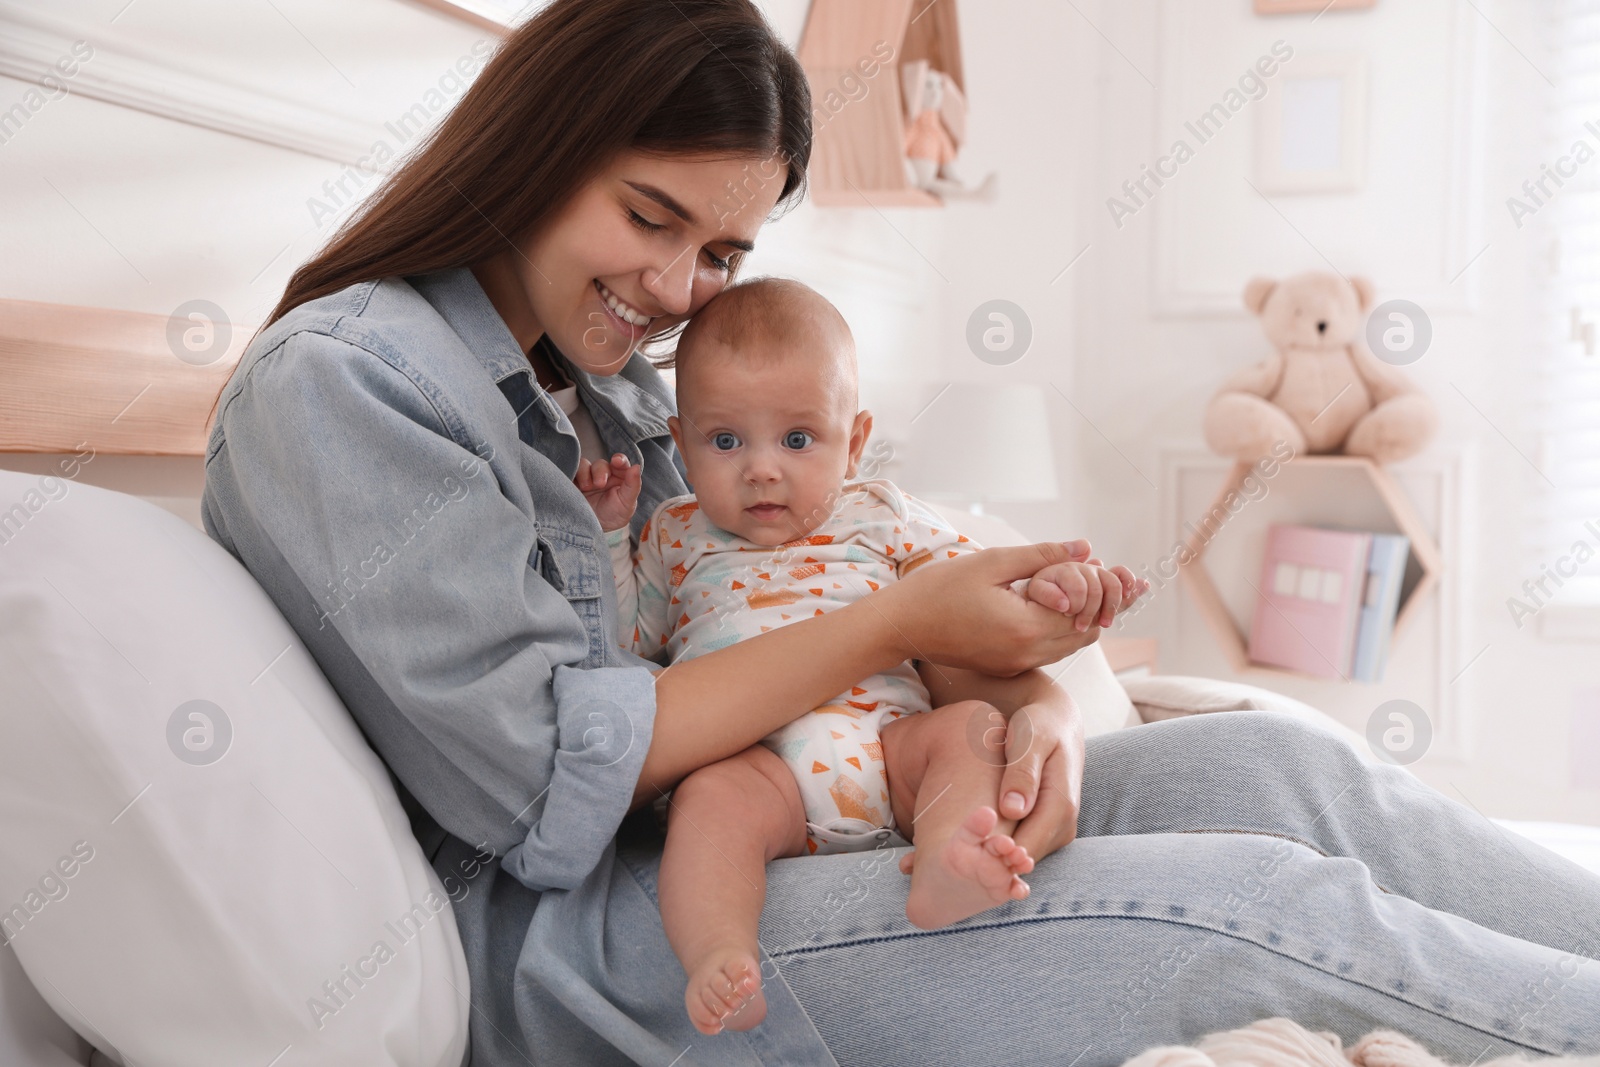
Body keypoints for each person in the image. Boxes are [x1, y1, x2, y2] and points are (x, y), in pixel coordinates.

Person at [200, 0, 1600, 1063]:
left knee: (1284, 767)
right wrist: (894, 627)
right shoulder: (348, 386)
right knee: (1259, 901)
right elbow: (552, 784)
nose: (677, 285)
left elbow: (844, 607)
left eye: (724, 257)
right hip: (629, 928)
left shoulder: (625, 397)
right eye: (650, 215)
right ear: (540, 144)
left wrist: (1035, 711)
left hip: (826, 804)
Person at [575, 276, 1147, 1033]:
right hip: (758, 766)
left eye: (798, 439)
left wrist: (1056, 584)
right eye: (724, 441)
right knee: (711, 804)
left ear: (856, 441)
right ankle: (719, 950)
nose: (762, 469)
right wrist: (612, 535)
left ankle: (950, 857)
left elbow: (976, 585)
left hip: (890, 749)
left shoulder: (879, 512)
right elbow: (626, 638)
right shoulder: (675, 533)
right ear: (680, 443)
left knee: (971, 726)